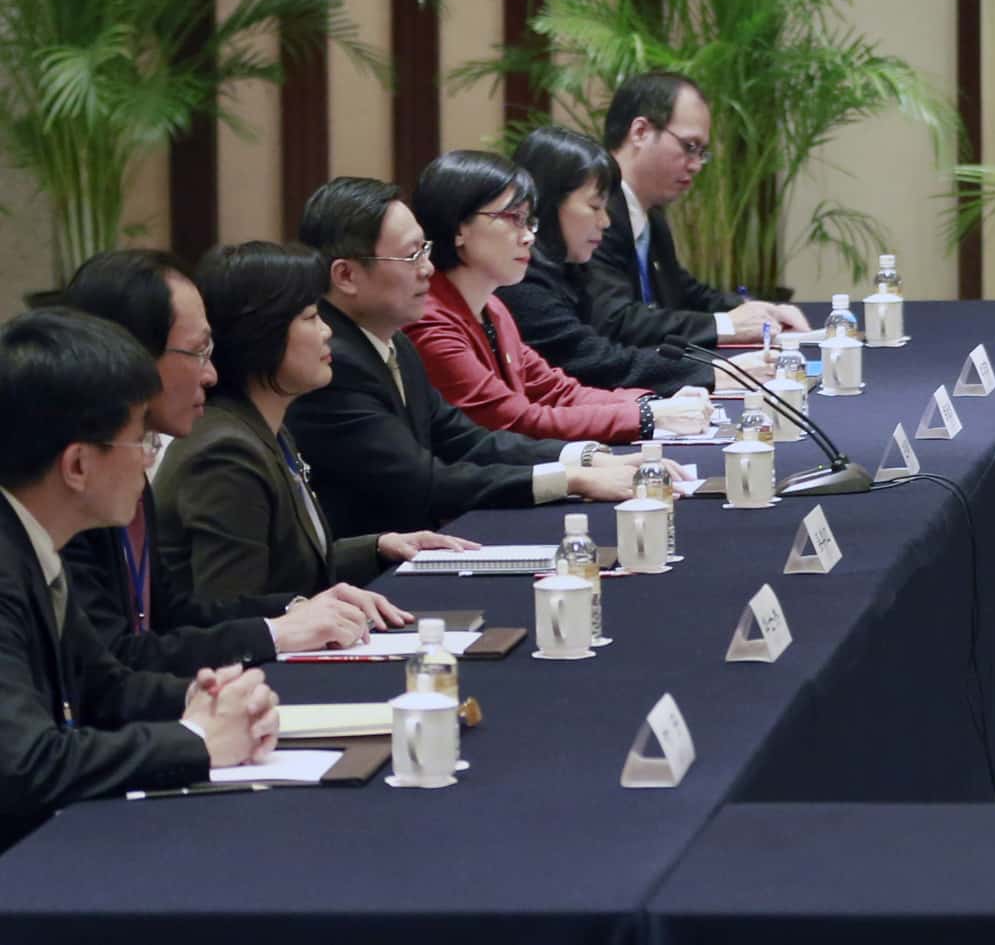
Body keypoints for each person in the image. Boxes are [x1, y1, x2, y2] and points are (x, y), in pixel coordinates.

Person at [0, 309, 279, 850]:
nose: (150, 462)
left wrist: (204, 698)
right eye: (141, 442)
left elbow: (107, 688)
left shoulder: (31, 544)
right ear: (77, 465)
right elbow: (23, 767)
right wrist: (195, 740)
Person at [57, 251, 395, 666]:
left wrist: (292, 609)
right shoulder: (74, 490)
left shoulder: (131, 462)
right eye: (197, 351)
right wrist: (274, 634)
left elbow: (171, 614)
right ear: (132, 357)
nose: (210, 373)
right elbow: (116, 663)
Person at [288, 177, 638, 541]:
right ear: (346, 275)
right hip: (366, 579)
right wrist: (569, 479)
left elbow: (469, 442)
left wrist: (583, 457)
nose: (427, 268)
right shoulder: (333, 364)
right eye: (411, 256)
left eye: (424, 250)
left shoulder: (394, 344)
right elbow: (427, 481)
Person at [154, 244, 474, 624]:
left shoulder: (264, 425)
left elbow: (288, 561)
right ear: (263, 334)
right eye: (310, 317)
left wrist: (379, 546)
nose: (327, 333)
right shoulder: (225, 453)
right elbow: (233, 612)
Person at [407, 150, 711, 446]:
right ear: (460, 228)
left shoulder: (493, 308)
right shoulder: (430, 322)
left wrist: (653, 403)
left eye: (528, 222)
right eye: (513, 218)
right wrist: (647, 416)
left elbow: (558, 392)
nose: (527, 237)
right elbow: (516, 421)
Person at [588, 71, 807, 343]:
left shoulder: (649, 216)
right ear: (640, 132)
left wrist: (757, 309)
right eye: (689, 146)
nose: (695, 165)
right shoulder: (594, 214)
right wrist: (726, 324)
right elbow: (617, 321)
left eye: (701, 153)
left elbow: (686, 293)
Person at [498, 124, 703, 394]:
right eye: (595, 207)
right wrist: (708, 373)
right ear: (548, 203)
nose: (605, 222)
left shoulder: (569, 271)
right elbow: (598, 363)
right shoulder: (521, 282)